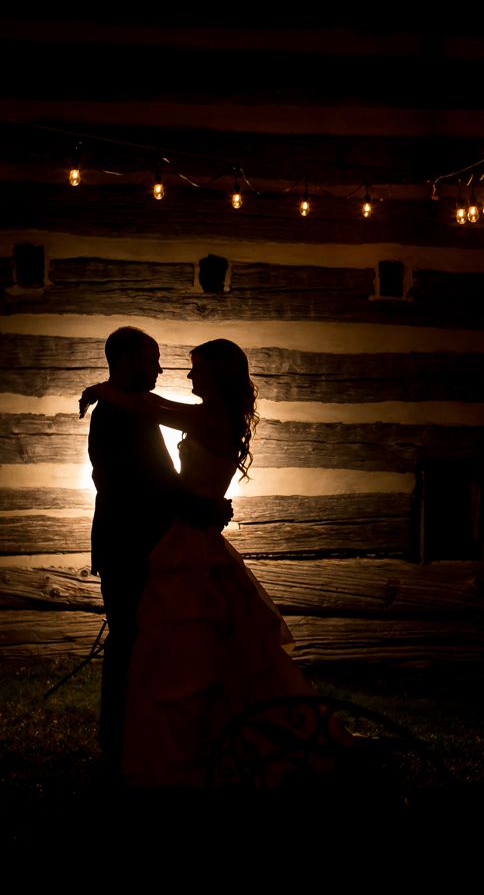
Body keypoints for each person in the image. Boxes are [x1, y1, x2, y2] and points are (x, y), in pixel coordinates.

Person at [79, 337, 316, 788]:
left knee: (187, 645)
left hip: (188, 541)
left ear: (218, 375)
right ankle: (145, 742)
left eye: (196, 369)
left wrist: (99, 389)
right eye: (153, 361)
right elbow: (141, 470)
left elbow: (156, 411)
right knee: (175, 643)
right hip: (167, 537)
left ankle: (184, 744)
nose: (182, 375)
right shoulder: (146, 414)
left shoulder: (204, 415)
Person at [85, 327, 232, 785]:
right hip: (130, 546)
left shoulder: (134, 409)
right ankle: (121, 742)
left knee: (149, 643)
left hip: (149, 544)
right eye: (152, 360)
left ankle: (144, 739)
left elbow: (160, 480)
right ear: (127, 361)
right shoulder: (118, 414)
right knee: (131, 642)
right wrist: (205, 509)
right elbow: (149, 483)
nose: (161, 369)